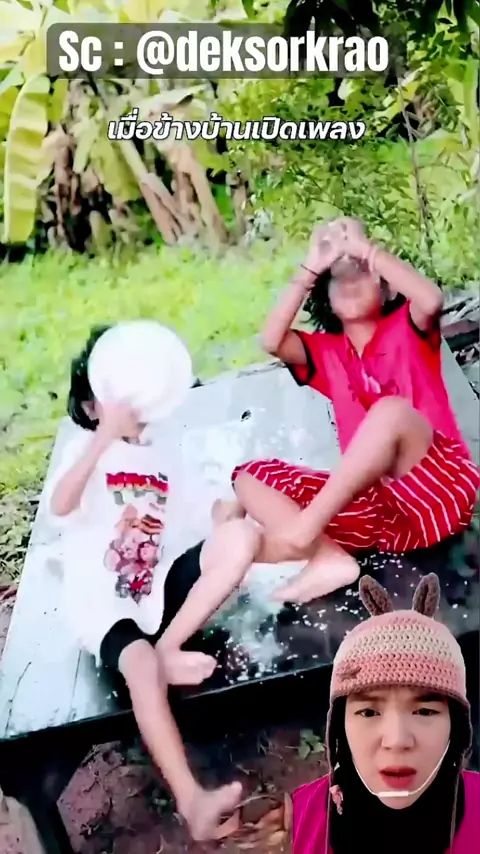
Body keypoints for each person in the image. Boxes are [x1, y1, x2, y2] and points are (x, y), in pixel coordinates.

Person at [44, 323, 262, 842]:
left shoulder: (163, 455)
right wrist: (102, 437)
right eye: (113, 393)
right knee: (139, 665)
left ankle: (169, 648)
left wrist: (241, 506)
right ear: (91, 405)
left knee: (241, 536)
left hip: (156, 591)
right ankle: (192, 800)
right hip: (106, 607)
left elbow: (203, 515)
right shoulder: (85, 450)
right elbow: (60, 505)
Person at [226, 217, 479, 603]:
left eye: (362, 274)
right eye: (337, 279)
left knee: (390, 413)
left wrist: (364, 249)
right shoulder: (326, 354)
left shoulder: (407, 329)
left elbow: (430, 299)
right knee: (249, 477)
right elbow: (271, 340)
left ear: (387, 290)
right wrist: (312, 265)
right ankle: (327, 559)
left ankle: (300, 535)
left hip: (440, 493)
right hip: (387, 521)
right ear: (327, 298)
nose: (349, 282)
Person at [292, 572, 480, 854]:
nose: (397, 740)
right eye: (368, 712)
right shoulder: (299, 817)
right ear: (340, 725)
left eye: (425, 711)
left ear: (456, 724)